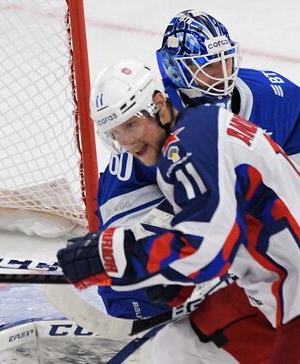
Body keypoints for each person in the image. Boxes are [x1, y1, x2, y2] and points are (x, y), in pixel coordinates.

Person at [57, 59, 300, 362]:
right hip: (271, 291)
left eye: (132, 123)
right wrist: (174, 284)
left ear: (159, 104)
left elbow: (207, 251)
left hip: (291, 301)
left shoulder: (187, 146)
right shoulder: (202, 128)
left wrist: (118, 254)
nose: (128, 141)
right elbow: (232, 233)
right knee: (177, 344)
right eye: (117, 133)